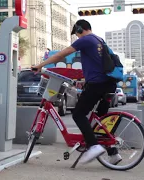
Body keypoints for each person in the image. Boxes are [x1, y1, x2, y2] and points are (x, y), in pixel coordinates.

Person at [31, 19, 121, 165]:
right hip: (109, 84)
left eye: (77, 34)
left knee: (78, 114)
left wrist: (40, 65)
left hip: (97, 85)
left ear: (80, 29)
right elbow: (100, 66)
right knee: (99, 121)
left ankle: (93, 146)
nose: (77, 37)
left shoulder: (86, 40)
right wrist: (84, 80)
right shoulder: (99, 40)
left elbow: (61, 55)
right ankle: (113, 153)